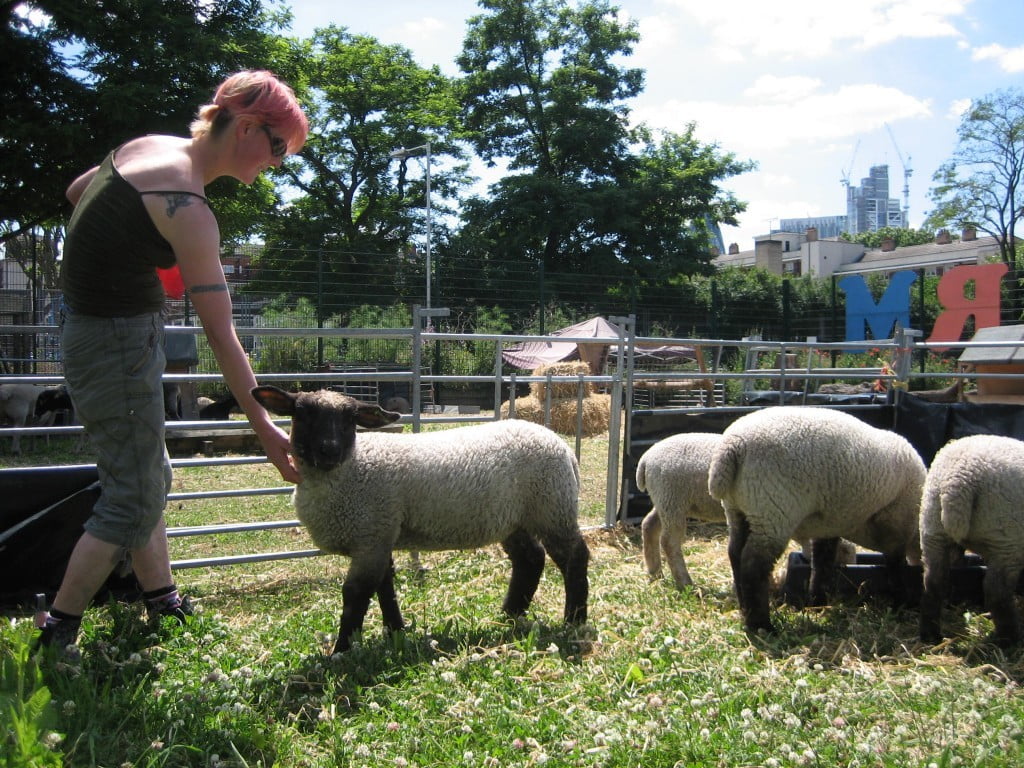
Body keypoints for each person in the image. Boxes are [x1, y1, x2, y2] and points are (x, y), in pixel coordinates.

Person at [37, 70, 308, 654]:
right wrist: (263, 425)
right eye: (279, 146)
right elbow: (221, 333)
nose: (279, 162)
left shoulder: (150, 148)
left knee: (147, 473)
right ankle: (58, 629)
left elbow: (78, 193)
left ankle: (162, 600)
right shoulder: (186, 208)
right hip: (116, 341)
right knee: (132, 496)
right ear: (248, 127)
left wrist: (130, 253)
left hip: (91, 330)